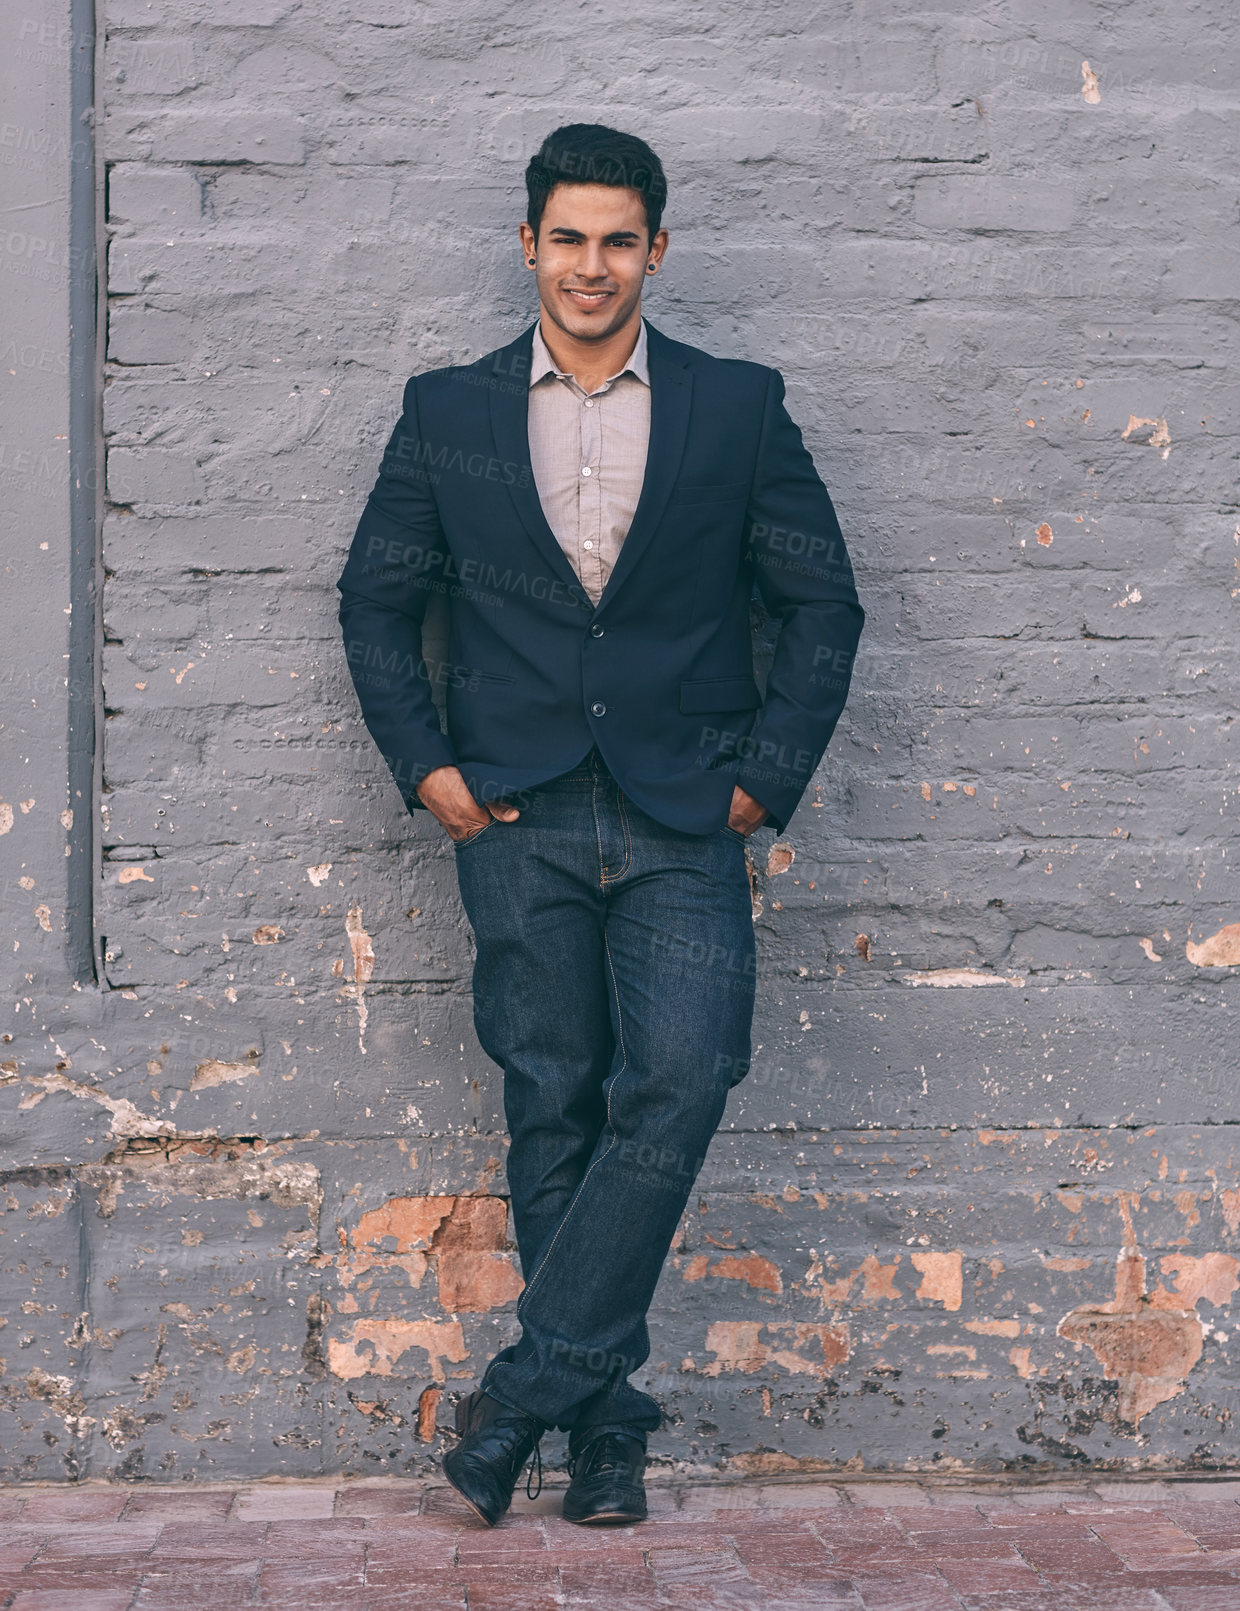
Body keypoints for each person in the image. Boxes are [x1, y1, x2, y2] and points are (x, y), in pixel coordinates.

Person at [336, 123, 864, 1527]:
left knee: (682, 1077)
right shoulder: (447, 411)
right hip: (512, 812)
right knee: (554, 1105)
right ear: (530, 246)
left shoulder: (735, 406)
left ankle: (524, 1395)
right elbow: (377, 599)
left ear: (656, 251)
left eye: (617, 239)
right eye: (566, 238)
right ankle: (608, 1433)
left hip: (688, 813)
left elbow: (823, 601)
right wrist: (427, 768)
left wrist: (768, 776)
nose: (590, 264)